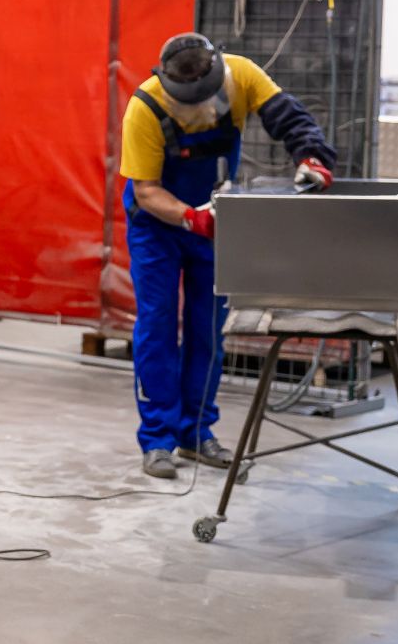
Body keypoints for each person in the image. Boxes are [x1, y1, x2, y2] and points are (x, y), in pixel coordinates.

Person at [120, 33, 334, 480]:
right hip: (158, 226)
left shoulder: (244, 75)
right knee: (157, 326)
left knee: (208, 330)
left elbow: (288, 118)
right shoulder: (144, 107)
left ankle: (197, 433)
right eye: (188, 104)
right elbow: (146, 190)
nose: (200, 111)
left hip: (214, 221)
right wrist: (190, 219)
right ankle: (158, 439)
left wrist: (311, 157)